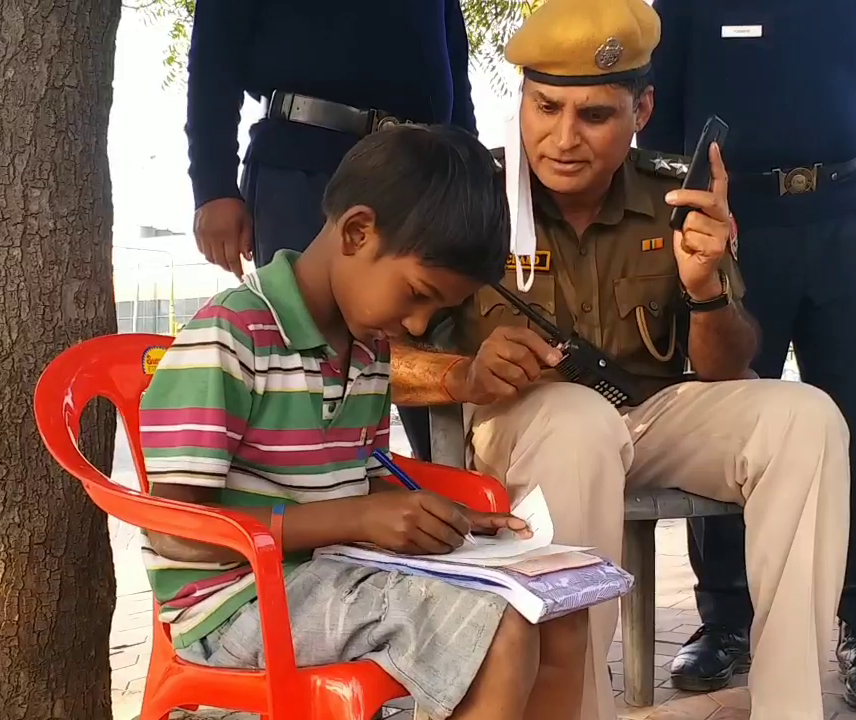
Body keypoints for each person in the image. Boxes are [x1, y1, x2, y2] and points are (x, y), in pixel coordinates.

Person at [389, 1, 852, 718]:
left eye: (594, 116)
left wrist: (705, 292)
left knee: (807, 417)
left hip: (650, 417)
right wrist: (464, 374)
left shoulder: (675, 195)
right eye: (545, 108)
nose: (563, 138)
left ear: (642, 109)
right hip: (522, 426)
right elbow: (376, 354)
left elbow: (727, 368)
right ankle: (575, 709)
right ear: (522, 99)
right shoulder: (468, 194)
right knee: (575, 421)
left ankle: (789, 707)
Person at [140, 125, 588, 720]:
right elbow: (179, 531)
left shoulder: (368, 350)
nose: (422, 326)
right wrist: (358, 518)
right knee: (498, 626)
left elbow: (362, 479)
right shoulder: (229, 337)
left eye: (438, 310)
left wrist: (440, 516)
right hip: (236, 605)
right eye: (417, 294)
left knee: (556, 605)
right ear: (357, 232)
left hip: (335, 571)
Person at [638, 0, 856, 712]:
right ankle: (725, 622)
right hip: (735, 220)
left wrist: (840, 183)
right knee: (731, 416)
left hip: (849, 216)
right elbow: (662, 114)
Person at [184, 1, 474, 461]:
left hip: (424, 168)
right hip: (303, 158)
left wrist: (470, 174)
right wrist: (212, 183)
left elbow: (452, 58)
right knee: (305, 359)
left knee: (426, 326)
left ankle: (441, 496)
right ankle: (307, 504)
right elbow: (215, 47)